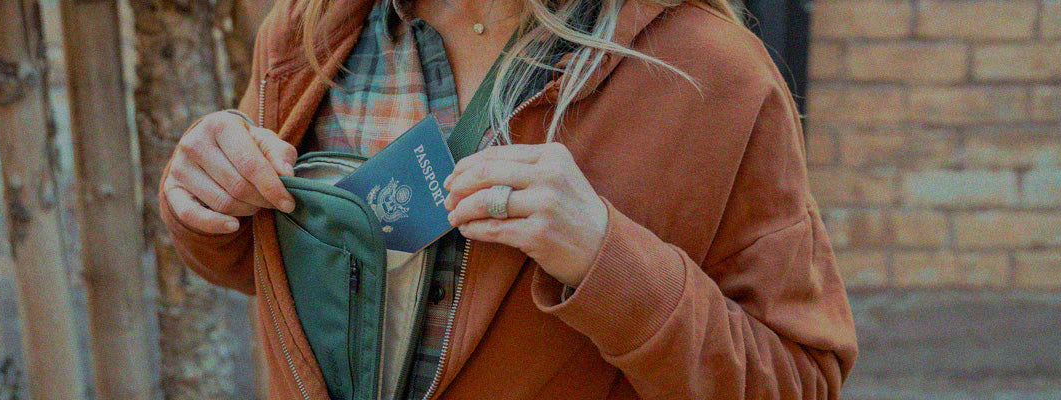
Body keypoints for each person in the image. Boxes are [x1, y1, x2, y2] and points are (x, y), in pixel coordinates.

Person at [158, 0, 858, 398]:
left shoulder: (711, 74)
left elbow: (798, 380)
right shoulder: (308, 30)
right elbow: (260, 264)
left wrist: (607, 262)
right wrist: (203, 199)